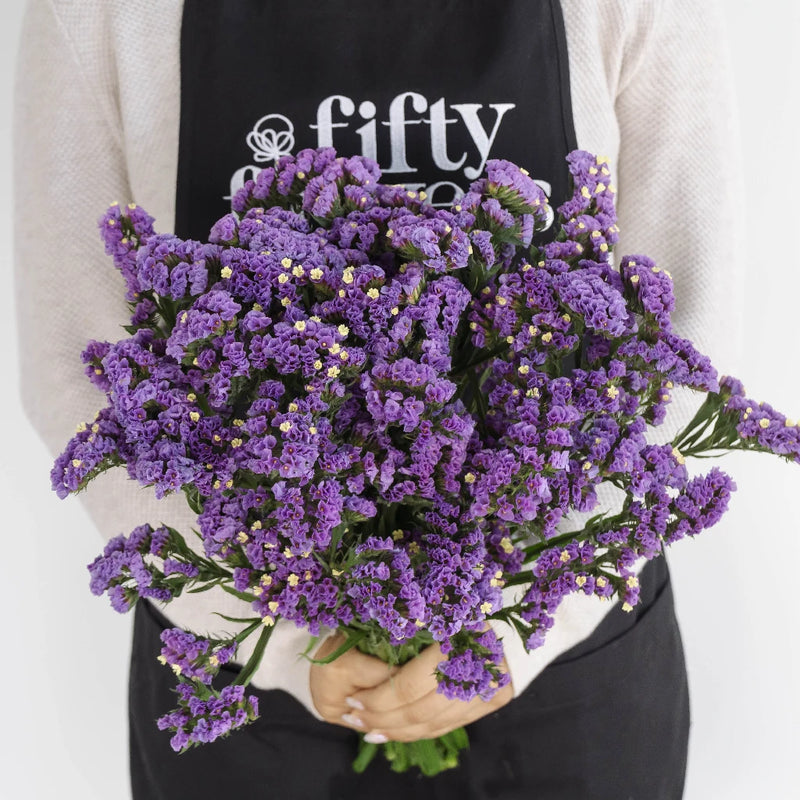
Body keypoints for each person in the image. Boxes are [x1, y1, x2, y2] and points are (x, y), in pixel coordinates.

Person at [14, 1, 742, 797]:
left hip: (563, 674)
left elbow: (682, 324)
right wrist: (285, 629)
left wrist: (524, 622)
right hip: (250, 687)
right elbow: (79, 355)